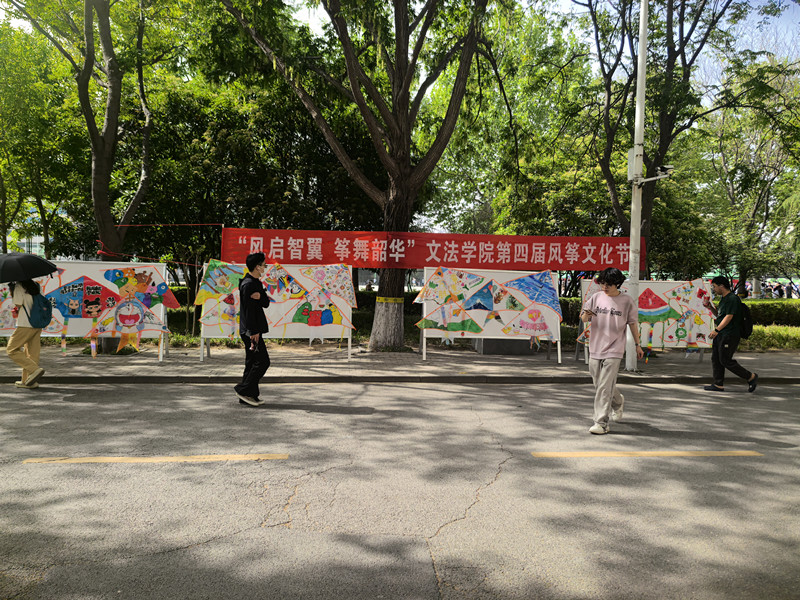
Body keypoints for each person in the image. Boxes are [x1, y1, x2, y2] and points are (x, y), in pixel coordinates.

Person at [580, 267, 643, 435]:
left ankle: (601, 423)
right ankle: (618, 401)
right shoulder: (596, 297)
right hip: (595, 346)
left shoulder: (627, 301)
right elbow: (584, 318)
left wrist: (637, 344)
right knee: (599, 384)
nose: (604, 287)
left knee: (604, 386)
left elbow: (632, 324)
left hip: (615, 348)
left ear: (617, 284)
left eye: (608, 284)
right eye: (602, 283)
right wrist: (587, 314)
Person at [703, 276, 758, 393]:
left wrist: (717, 330)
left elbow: (729, 316)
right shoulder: (724, 298)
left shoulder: (732, 299)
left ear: (721, 286)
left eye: (714, 286)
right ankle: (718, 384)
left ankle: (750, 376)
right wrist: (710, 307)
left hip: (729, 334)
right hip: (721, 333)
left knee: (725, 360)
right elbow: (721, 315)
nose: (714, 289)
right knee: (716, 359)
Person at [233, 252, 271, 407]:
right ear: (257, 267)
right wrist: (253, 332)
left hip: (252, 330)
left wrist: (260, 296)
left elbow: (266, 303)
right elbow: (248, 311)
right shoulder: (248, 284)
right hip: (250, 331)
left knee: (252, 362)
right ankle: (243, 390)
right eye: (263, 265)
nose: (265, 267)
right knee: (263, 362)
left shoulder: (256, 282)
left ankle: (249, 396)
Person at [6, 280, 46, 389]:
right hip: (37, 323)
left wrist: (13, 291)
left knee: (11, 349)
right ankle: (28, 381)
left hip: (25, 324)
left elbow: (18, 303)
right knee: (32, 353)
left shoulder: (19, 285)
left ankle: (34, 369)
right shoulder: (36, 285)